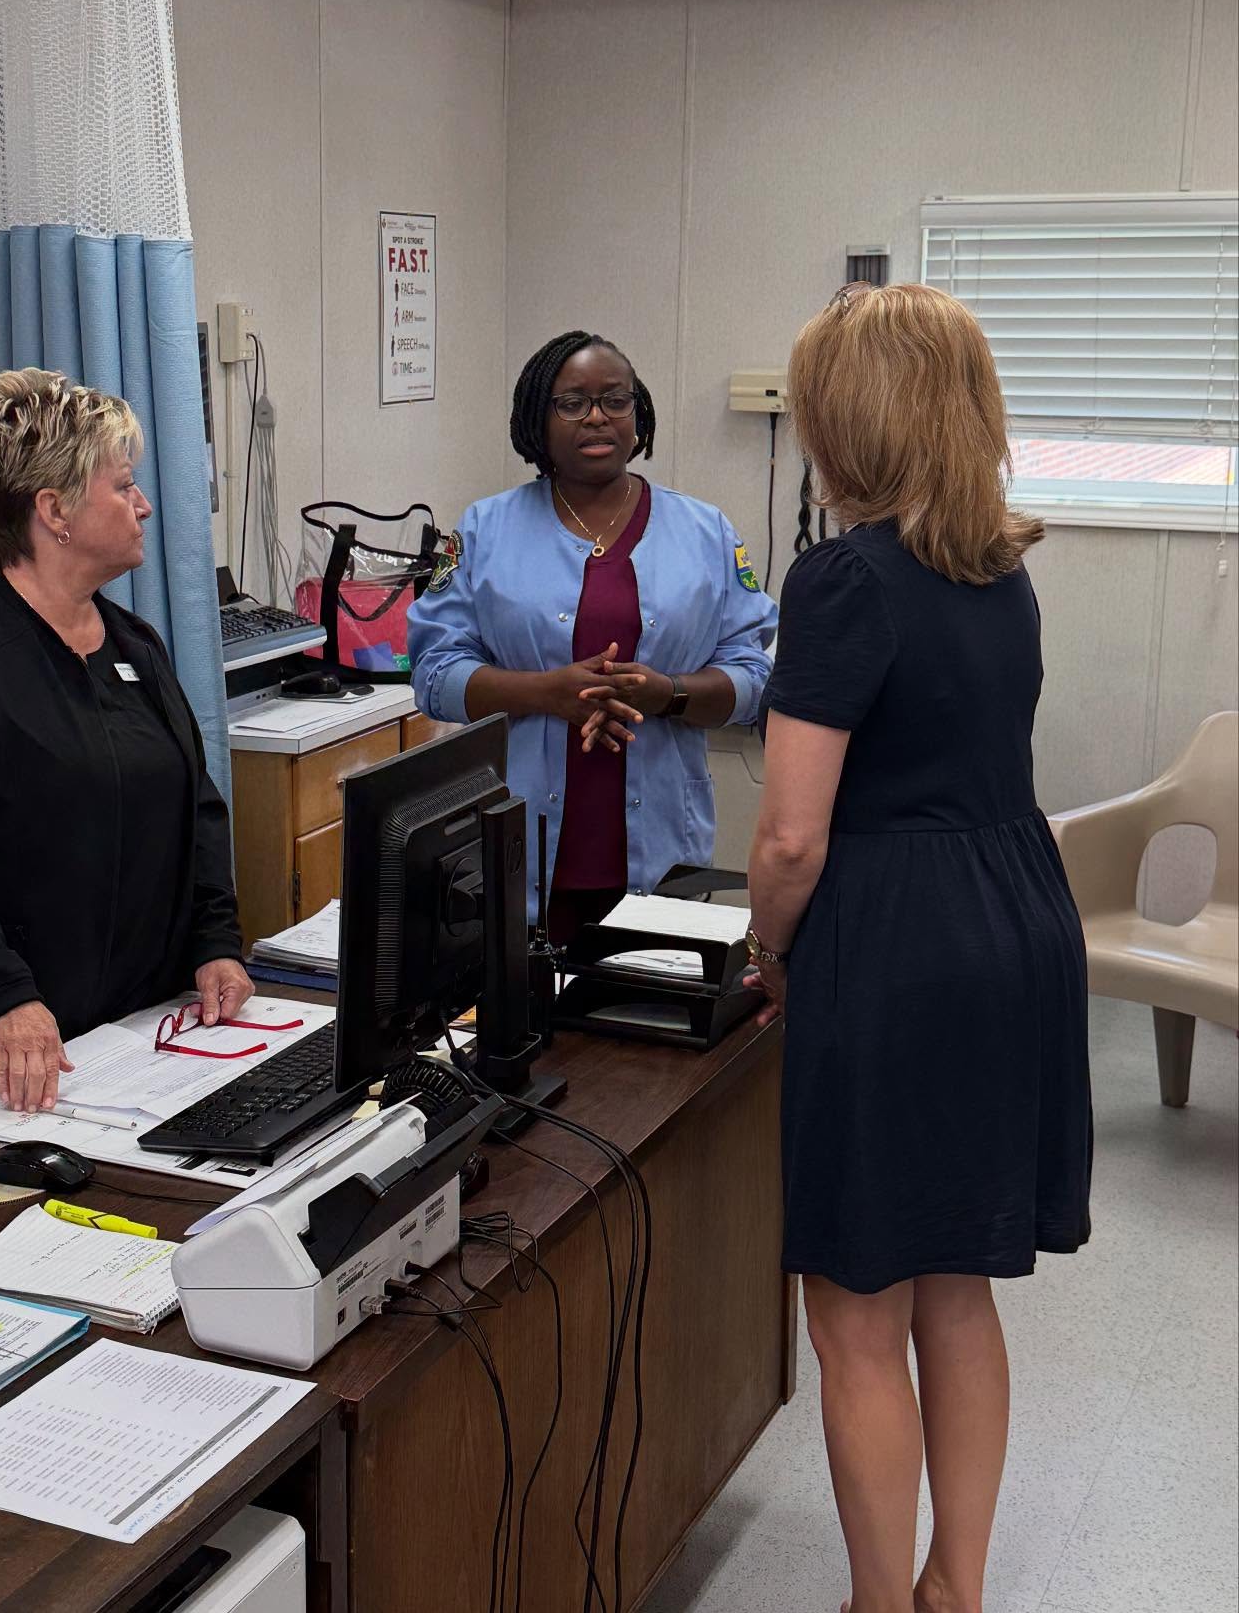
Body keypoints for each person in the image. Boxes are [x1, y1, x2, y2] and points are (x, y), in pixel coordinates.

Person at [742, 284, 1092, 1613]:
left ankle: (879, 1605)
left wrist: (763, 953)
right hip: (1017, 922)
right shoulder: (998, 570)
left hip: (895, 944)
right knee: (958, 1288)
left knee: (854, 1312)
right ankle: (956, 1589)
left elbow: (788, 838)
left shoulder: (843, 581)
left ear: (847, 421)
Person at [0, 368, 252, 1121]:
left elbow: (196, 808)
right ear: (55, 512)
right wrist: (2, 994)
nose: (142, 503)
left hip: (138, 1037)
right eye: (123, 486)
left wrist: (217, 940)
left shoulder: (134, 644)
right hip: (6, 1054)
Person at [408, 329, 776, 943]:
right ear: (537, 419)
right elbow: (433, 676)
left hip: (663, 851)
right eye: (572, 403)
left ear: (640, 413)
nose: (598, 417)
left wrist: (670, 694)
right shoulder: (482, 530)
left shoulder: (705, 531)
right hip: (520, 851)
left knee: (648, 1024)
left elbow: (755, 675)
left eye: (616, 399)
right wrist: (544, 693)